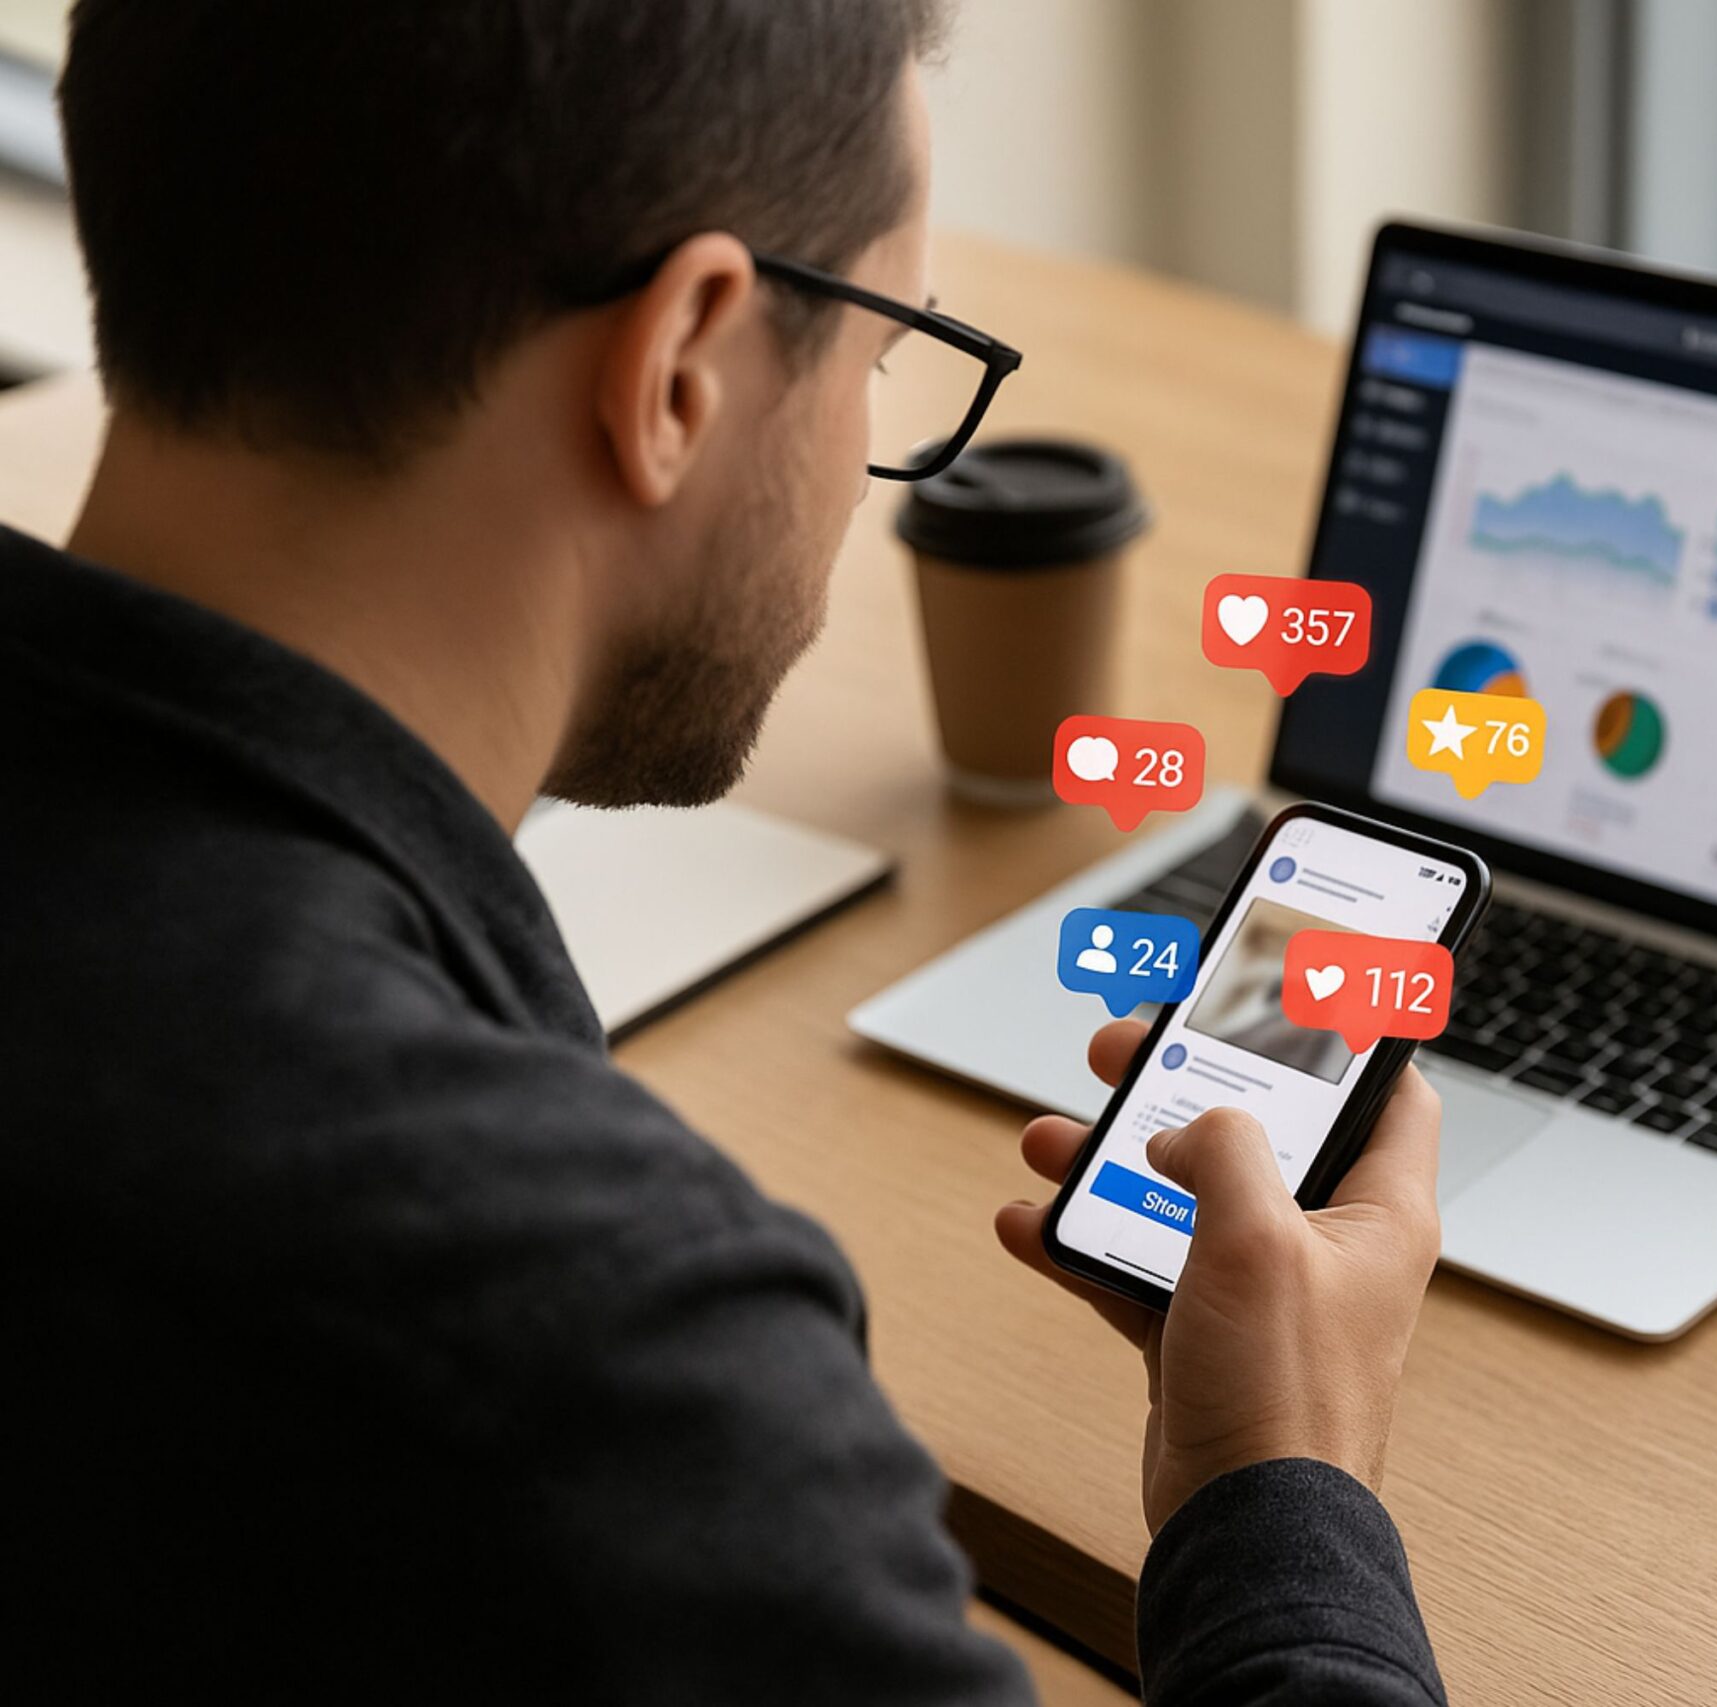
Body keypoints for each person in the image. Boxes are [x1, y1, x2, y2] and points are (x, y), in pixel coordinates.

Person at [0, 4, 1450, 1702]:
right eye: (883, 353)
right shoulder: (588, 1356)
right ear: (683, 362)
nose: (863, 468)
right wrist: (1281, 1477)